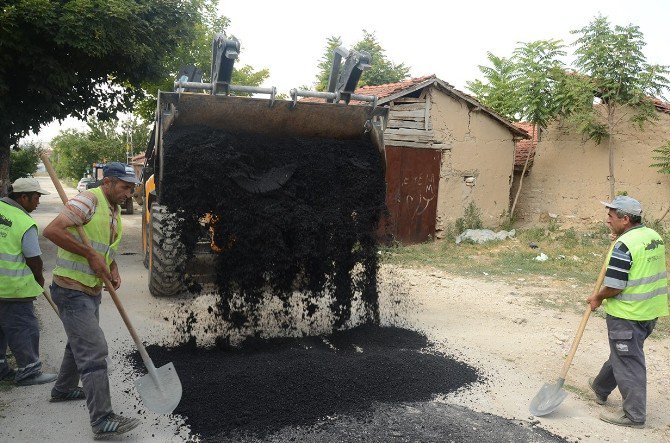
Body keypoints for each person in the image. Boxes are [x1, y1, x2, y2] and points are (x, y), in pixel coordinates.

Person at [43, 162, 141, 439]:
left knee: (79, 345)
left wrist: (111, 265)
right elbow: (52, 231)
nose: (129, 193)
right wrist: (89, 255)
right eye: (125, 187)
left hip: (90, 288)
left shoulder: (114, 208)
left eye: (132, 188)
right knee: (94, 351)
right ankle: (102, 420)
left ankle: (62, 389)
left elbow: (103, 247)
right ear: (108, 182)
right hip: (71, 289)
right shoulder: (89, 199)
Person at [586, 195, 668, 428]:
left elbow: (614, 286)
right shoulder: (653, 236)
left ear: (625, 219)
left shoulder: (624, 245)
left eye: (611, 216)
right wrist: (620, 238)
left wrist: (597, 297)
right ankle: (601, 387)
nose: (607, 220)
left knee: (628, 360)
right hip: (650, 312)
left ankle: (634, 415)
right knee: (625, 353)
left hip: (628, 314)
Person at [0, 177, 58, 385]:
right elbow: (34, 259)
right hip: (13, 288)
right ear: (23, 197)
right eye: (36, 197)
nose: (38, 202)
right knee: (24, 327)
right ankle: (29, 371)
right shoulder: (24, 222)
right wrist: (39, 280)